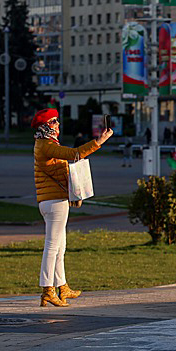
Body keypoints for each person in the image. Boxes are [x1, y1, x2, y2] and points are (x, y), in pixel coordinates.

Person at [32, 108, 112, 307]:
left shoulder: (46, 144)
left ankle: (62, 287)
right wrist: (99, 141)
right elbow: (74, 154)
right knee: (52, 247)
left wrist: (73, 192)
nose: (58, 124)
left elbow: (61, 171)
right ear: (45, 126)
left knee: (60, 247)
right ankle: (47, 290)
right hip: (54, 203)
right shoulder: (46, 145)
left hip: (55, 200)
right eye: (54, 121)